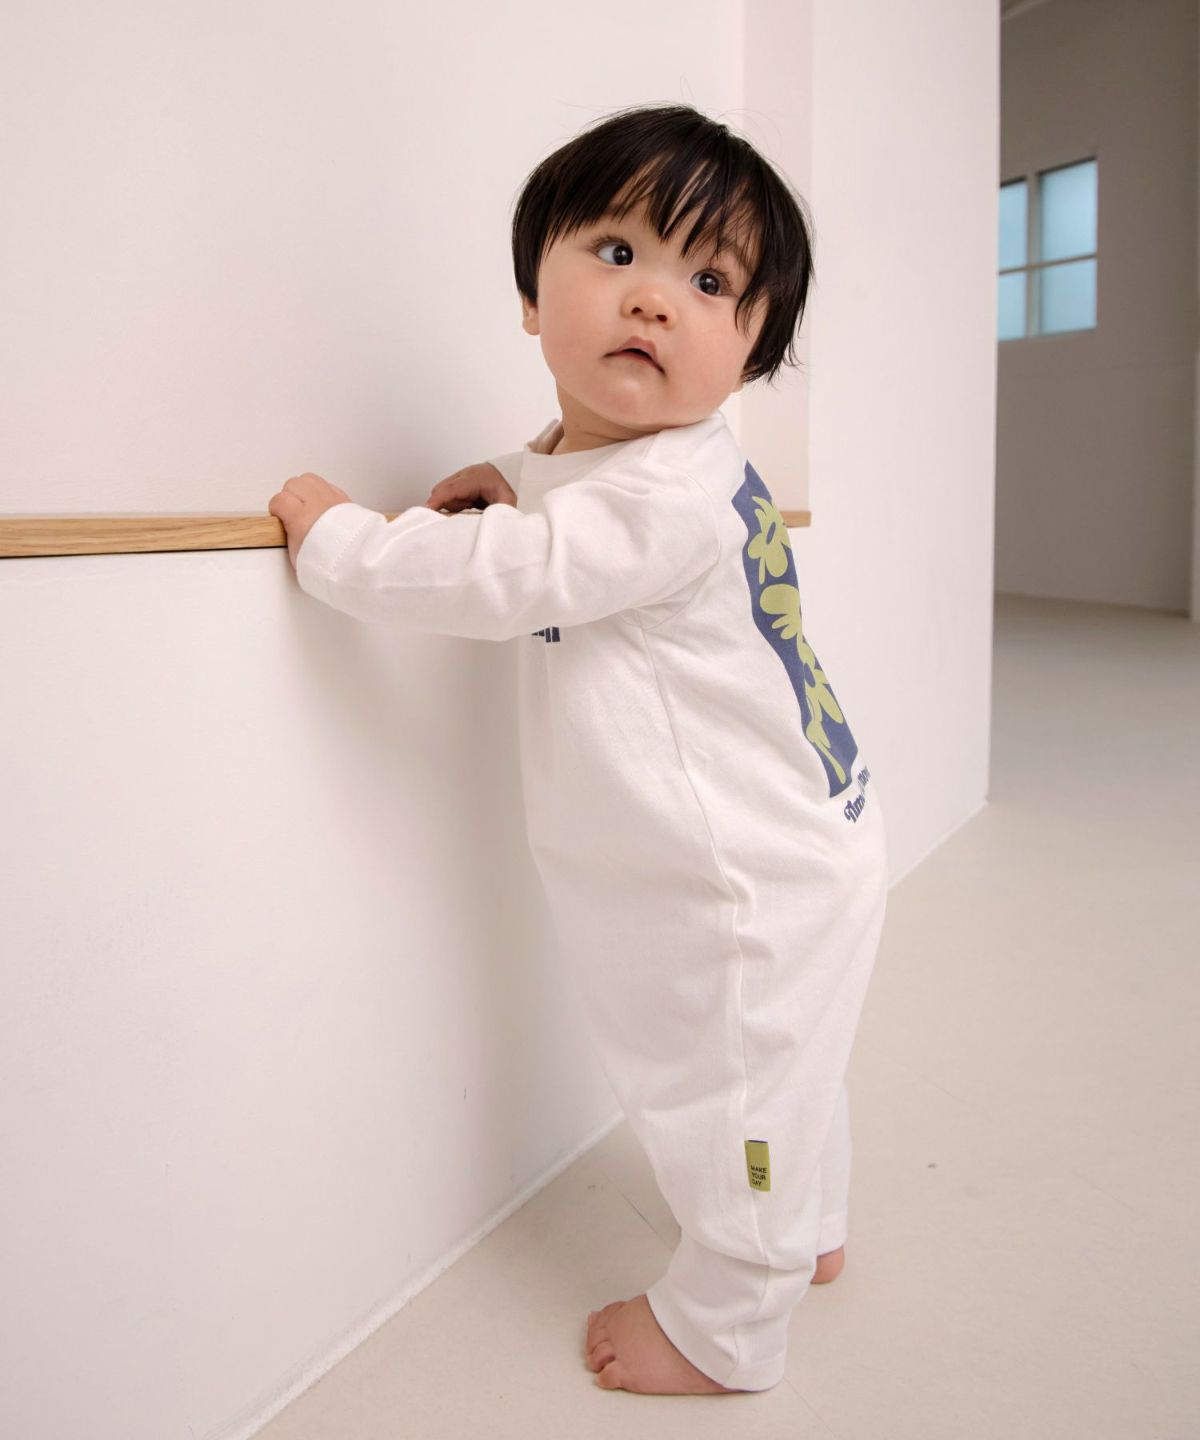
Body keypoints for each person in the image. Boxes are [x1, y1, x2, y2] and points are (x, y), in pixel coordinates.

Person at [268, 101, 888, 1397]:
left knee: (733, 1093)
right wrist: (513, 472)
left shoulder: (659, 501)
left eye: (710, 283)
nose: (653, 299)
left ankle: (728, 1327)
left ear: (755, 350)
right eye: (616, 254)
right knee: (784, 1068)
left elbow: (511, 575)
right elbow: (570, 500)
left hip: (743, 884)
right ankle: (810, 1226)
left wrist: (341, 539)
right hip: (796, 843)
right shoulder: (653, 471)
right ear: (529, 293)